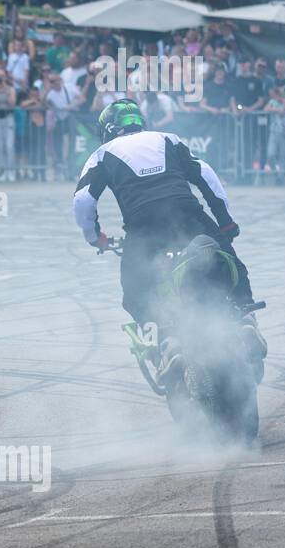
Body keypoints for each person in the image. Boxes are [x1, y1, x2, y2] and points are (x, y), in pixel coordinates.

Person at [72, 99, 264, 368]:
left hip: (144, 228)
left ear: (107, 129)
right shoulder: (168, 138)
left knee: (135, 291)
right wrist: (225, 222)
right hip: (188, 215)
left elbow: (82, 201)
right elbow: (206, 176)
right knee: (227, 257)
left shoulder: (103, 153)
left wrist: (95, 238)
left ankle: (166, 344)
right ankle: (245, 317)